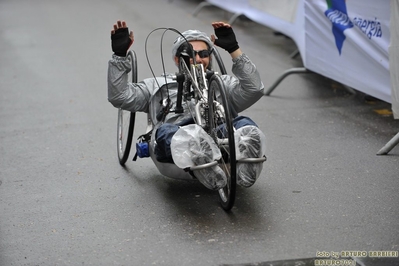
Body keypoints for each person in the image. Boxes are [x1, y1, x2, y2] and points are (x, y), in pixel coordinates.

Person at [108, 20, 267, 190]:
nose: (198, 59)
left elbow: (254, 89)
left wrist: (234, 50)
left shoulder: (221, 83)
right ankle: (205, 165)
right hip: (174, 136)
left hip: (219, 134)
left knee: (246, 125)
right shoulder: (157, 84)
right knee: (170, 133)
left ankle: (245, 173)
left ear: (209, 57)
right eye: (190, 53)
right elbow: (120, 97)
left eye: (204, 53)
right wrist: (120, 56)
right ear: (177, 58)